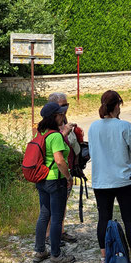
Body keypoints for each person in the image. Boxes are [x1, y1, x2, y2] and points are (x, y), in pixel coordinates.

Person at [87, 90, 131, 263]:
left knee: (103, 218)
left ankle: (104, 258)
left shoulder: (93, 127)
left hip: (101, 180)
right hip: (124, 180)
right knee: (129, 219)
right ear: (117, 105)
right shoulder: (124, 126)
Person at [32, 101, 76, 263]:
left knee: (44, 215)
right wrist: (68, 177)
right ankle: (56, 255)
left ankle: (40, 250)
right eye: (60, 114)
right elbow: (59, 160)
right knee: (57, 218)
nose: (62, 116)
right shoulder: (55, 136)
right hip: (55, 180)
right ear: (54, 117)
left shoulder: (40, 133)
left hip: (41, 179)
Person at [48, 91, 83, 237]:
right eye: (63, 105)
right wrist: (65, 133)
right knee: (51, 208)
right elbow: (52, 146)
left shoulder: (63, 120)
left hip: (67, 169)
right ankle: (50, 235)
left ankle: (60, 231)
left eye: (67, 104)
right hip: (54, 172)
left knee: (62, 203)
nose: (66, 108)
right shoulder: (49, 123)